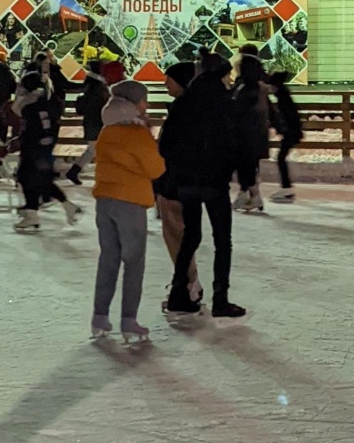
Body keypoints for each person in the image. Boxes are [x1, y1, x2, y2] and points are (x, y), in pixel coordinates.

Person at [160, 51, 244, 318]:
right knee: (222, 240)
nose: (230, 79)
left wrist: (180, 169)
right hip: (214, 182)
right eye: (227, 74)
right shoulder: (224, 103)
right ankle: (221, 299)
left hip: (187, 181)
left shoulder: (184, 102)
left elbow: (166, 144)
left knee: (190, 238)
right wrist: (229, 170)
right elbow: (234, 144)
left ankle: (177, 293)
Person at [90, 81, 164, 343]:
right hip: (130, 202)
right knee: (134, 262)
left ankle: (99, 316)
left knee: (108, 258)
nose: (147, 105)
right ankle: (129, 321)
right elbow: (156, 169)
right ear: (134, 103)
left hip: (105, 201)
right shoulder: (137, 135)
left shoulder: (107, 131)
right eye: (144, 100)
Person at [154, 59, 201, 308]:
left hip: (175, 182)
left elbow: (168, 148)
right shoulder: (192, 107)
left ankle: (187, 285)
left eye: (168, 79)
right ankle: (188, 284)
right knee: (182, 235)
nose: (164, 83)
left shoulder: (182, 110)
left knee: (177, 235)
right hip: (185, 182)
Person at [13, 64, 78, 232]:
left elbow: (33, 127)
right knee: (39, 180)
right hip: (41, 148)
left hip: (34, 149)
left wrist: (23, 141)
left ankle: (34, 214)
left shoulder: (32, 106)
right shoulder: (44, 102)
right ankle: (35, 212)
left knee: (29, 179)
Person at [232, 51, 270, 213]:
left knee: (244, 167)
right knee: (250, 167)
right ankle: (252, 195)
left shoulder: (245, 91)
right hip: (257, 136)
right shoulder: (260, 89)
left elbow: (236, 112)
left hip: (245, 137)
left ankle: (246, 195)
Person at [67, 57, 109, 185]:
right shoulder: (97, 86)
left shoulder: (90, 83)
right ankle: (76, 172)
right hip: (96, 121)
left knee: (93, 150)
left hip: (91, 121)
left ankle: (74, 171)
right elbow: (99, 104)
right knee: (96, 149)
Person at [267, 70, 304, 201]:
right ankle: (286, 187)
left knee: (281, 158)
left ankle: (286, 188)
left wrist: (283, 128)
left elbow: (288, 116)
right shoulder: (284, 96)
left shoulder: (283, 98)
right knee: (281, 158)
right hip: (292, 131)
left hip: (291, 132)